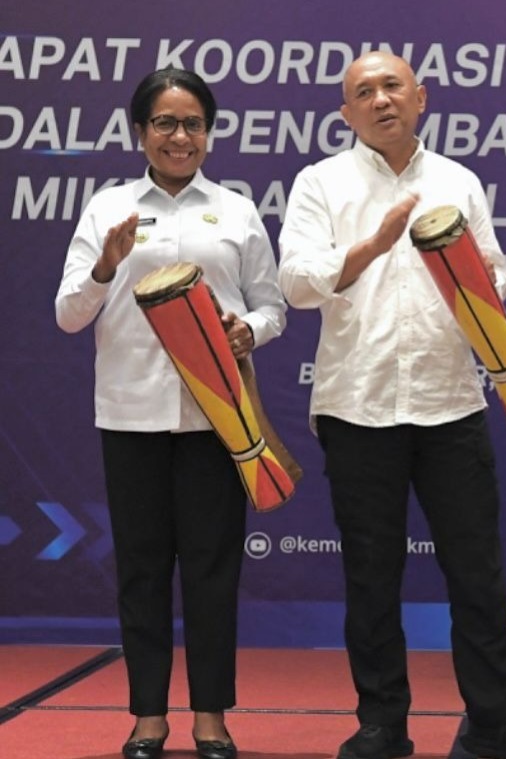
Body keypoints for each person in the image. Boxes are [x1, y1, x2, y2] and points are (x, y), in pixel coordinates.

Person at [276, 51, 506, 759]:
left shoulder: (458, 181)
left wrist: (484, 275)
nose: (380, 100)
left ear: (421, 97)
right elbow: (295, 284)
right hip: (357, 404)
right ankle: (382, 721)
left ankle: (495, 718)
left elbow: (496, 271)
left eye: (392, 86)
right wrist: (372, 246)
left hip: (450, 402)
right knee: (371, 574)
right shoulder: (320, 183)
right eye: (363, 92)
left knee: (477, 570)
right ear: (345, 113)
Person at [54, 68, 286, 759]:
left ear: (208, 133)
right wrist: (105, 266)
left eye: (192, 124)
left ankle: (211, 715)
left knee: (214, 570)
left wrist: (248, 330)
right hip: (131, 415)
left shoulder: (237, 211)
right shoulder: (108, 208)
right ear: (140, 132)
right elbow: (68, 315)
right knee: (142, 570)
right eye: (164, 123)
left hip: (219, 418)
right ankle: (148, 716)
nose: (179, 136)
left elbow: (272, 305)